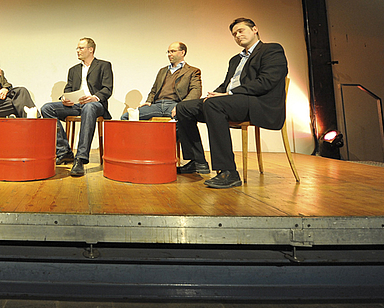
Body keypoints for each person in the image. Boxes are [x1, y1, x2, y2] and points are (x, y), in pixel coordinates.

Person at [175, 18, 288, 189]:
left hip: (259, 103)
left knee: (214, 105)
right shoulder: (235, 59)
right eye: (234, 34)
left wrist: (228, 94)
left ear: (255, 29)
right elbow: (227, 84)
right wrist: (214, 94)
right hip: (235, 100)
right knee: (184, 108)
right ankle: (197, 161)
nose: (237, 35)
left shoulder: (272, 49)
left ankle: (228, 172)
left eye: (241, 31)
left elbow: (267, 81)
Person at [41, 38, 113, 177]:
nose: (78, 51)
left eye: (81, 48)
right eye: (77, 48)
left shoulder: (103, 65)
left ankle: (80, 158)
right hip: (76, 104)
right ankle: (64, 151)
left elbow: (107, 89)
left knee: (89, 107)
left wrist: (94, 97)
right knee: (47, 108)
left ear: (90, 49)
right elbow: (68, 89)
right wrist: (65, 98)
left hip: (95, 104)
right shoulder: (73, 70)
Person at [121, 42, 201, 120]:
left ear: (182, 53)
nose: (169, 54)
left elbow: (196, 91)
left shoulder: (192, 71)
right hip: (157, 106)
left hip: (175, 104)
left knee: (186, 120)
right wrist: (149, 101)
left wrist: (181, 106)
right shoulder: (163, 71)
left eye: (173, 51)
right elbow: (154, 90)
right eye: (168, 52)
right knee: (126, 117)